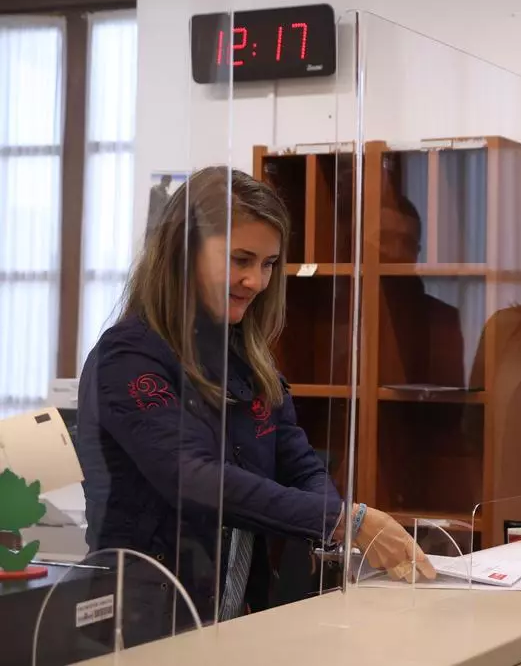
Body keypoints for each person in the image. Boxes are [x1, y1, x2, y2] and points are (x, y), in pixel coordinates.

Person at [75, 166, 433, 643]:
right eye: (240, 259)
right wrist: (343, 522)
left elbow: (298, 462)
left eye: (268, 264)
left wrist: (342, 530)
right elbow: (193, 477)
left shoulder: (245, 359)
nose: (255, 280)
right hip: (142, 623)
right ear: (183, 252)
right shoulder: (128, 357)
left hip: (231, 618)